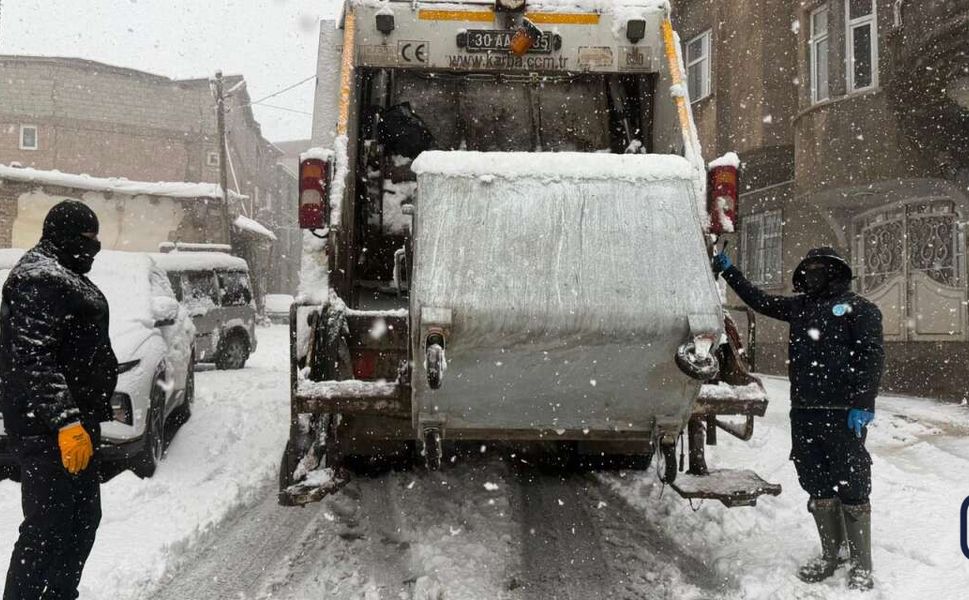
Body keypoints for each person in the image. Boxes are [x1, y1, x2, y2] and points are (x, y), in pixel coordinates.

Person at [712, 246, 883, 591]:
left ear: (836, 272)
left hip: (843, 413)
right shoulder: (800, 308)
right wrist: (729, 271)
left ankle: (862, 563)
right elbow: (758, 300)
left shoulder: (860, 310)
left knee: (851, 481)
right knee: (815, 479)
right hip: (804, 411)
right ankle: (830, 554)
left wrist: (863, 403)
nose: (814, 273)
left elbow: (871, 357)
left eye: (821, 268)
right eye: (811, 268)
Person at [2, 201, 118, 600]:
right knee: (47, 528)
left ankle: (59, 595)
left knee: (82, 521)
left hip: (74, 426)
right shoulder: (38, 279)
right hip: (48, 430)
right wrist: (66, 421)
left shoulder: (63, 273)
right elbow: (33, 357)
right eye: (88, 239)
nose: (94, 247)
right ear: (64, 236)